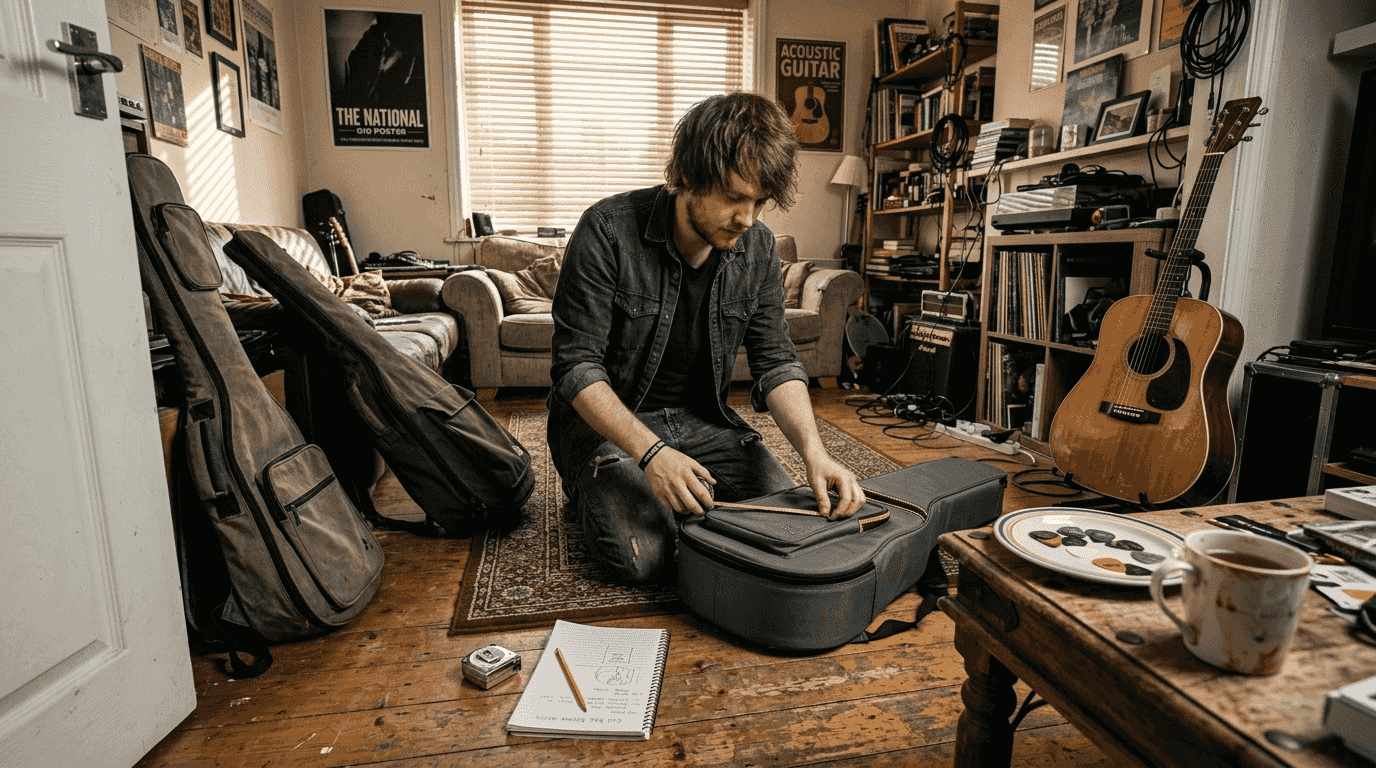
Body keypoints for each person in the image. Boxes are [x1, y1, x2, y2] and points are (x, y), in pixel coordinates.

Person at [547, 91, 867, 585]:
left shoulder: (757, 248)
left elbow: (776, 360)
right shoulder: (607, 230)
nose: (749, 218)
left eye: (760, 201)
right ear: (688, 177)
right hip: (612, 429)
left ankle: (678, 509)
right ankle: (599, 489)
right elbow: (576, 368)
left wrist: (814, 452)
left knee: (787, 528)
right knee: (643, 559)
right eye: (735, 198)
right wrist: (652, 455)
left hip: (704, 424)